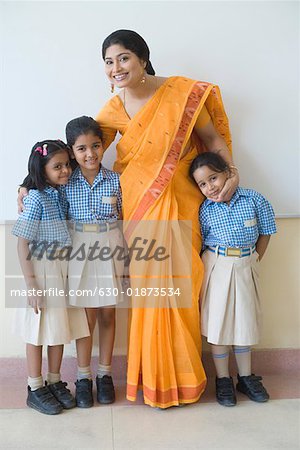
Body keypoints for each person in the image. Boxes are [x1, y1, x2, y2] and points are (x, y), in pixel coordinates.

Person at [95, 29, 239, 408]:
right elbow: (86, 154)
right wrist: (34, 181)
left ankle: (186, 377)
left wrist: (233, 173)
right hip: (141, 209)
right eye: (109, 62)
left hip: (183, 202)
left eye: (123, 58)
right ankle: (154, 380)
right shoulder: (112, 109)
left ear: (142, 58)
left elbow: (214, 140)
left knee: (182, 289)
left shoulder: (182, 93)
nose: (116, 68)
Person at [189, 151, 276, 406]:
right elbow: (202, 240)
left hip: (246, 264)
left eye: (213, 178)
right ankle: (223, 379)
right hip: (217, 265)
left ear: (228, 173)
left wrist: (255, 259)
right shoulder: (205, 210)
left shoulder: (254, 199)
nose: (209, 187)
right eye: (202, 184)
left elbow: (266, 232)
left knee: (244, 322)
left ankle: (246, 378)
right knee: (219, 324)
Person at [12, 140, 90, 415]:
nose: (65, 171)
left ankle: (54, 380)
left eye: (66, 165)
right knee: (37, 330)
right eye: (57, 167)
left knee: (58, 327)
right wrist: (32, 283)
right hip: (42, 270)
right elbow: (22, 243)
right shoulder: (34, 198)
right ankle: (34, 386)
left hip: (62, 268)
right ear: (41, 169)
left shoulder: (59, 193)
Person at [64, 116, 124, 406]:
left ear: (103, 145)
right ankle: (84, 376)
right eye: (82, 148)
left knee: (108, 314)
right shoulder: (66, 182)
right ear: (71, 151)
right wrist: (22, 189)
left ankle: (105, 374)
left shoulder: (116, 180)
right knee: (86, 317)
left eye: (96, 146)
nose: (90, 154)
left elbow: (125, 221)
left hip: (110, 246)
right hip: (79, 249)